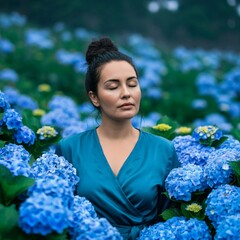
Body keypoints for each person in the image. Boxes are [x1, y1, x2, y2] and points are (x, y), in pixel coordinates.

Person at [55, 37, 179, 240]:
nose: (126, 94)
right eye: (113, 87)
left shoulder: (163, 150)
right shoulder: (69, 149)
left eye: (132, 84)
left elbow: (170, 219)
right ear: (94, 97)